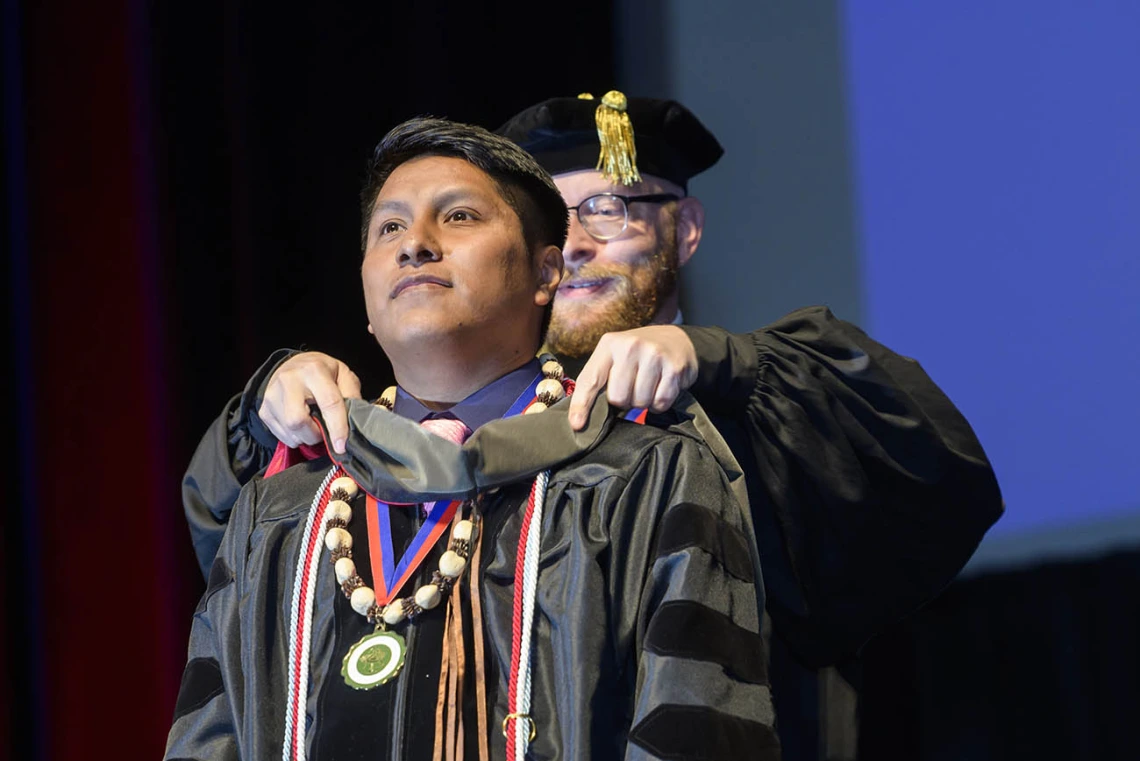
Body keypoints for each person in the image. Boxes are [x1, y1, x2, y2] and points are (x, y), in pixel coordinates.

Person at [182, 92, 1004, 757]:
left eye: (608, 209)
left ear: (685, 229)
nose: (576, 245)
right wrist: (260, 414)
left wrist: (715, 363)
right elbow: (234, 579)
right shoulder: (363, 463)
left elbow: (931, 467)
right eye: (556, 217)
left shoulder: (697, 430)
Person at [166, 117, 776, 760]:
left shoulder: (646, 477)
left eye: (457, 217)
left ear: (549, 273)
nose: (415, 245)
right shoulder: (280, 514)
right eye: (389, 228)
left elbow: (694, 734)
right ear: (366, 297)